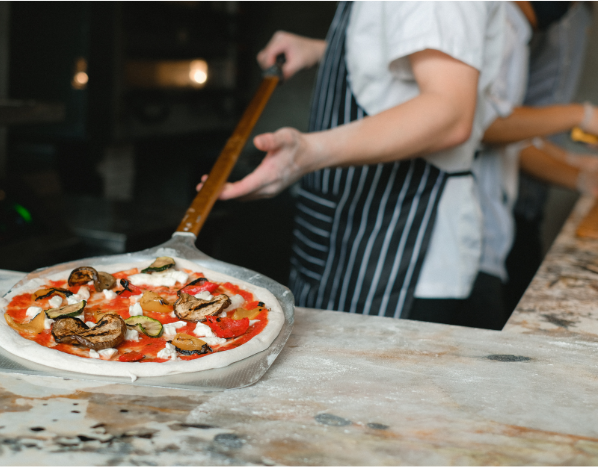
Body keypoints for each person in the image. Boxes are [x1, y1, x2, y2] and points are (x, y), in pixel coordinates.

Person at [200, 2, 504, 321]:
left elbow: (450, 113)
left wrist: (304, 154)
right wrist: (326, 51)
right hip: (346, 230)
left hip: (399, 245)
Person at [458, 1, 597, 330]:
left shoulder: (521, 30)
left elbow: (515, 130)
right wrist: (583, 116)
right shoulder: (501, 24)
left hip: (493, 227)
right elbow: (484, 123)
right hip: (469, 240)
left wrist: (581, 172)